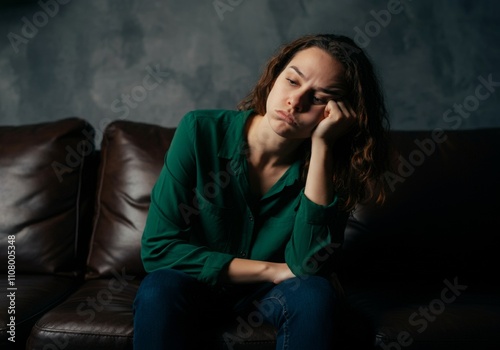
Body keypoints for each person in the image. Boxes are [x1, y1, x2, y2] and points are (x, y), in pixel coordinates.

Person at [133, 33, 392, 349]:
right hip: (196, 283)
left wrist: (323, 146)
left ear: (339, 114)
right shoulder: (200, 131)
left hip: (268, 298)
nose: (296, 102)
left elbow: (308, 267)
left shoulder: (331, 169)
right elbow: (158, 249)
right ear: (274, 77)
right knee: (158, 287)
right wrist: (272, 270)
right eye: (293, 81)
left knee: (313, 293)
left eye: (321, 97)